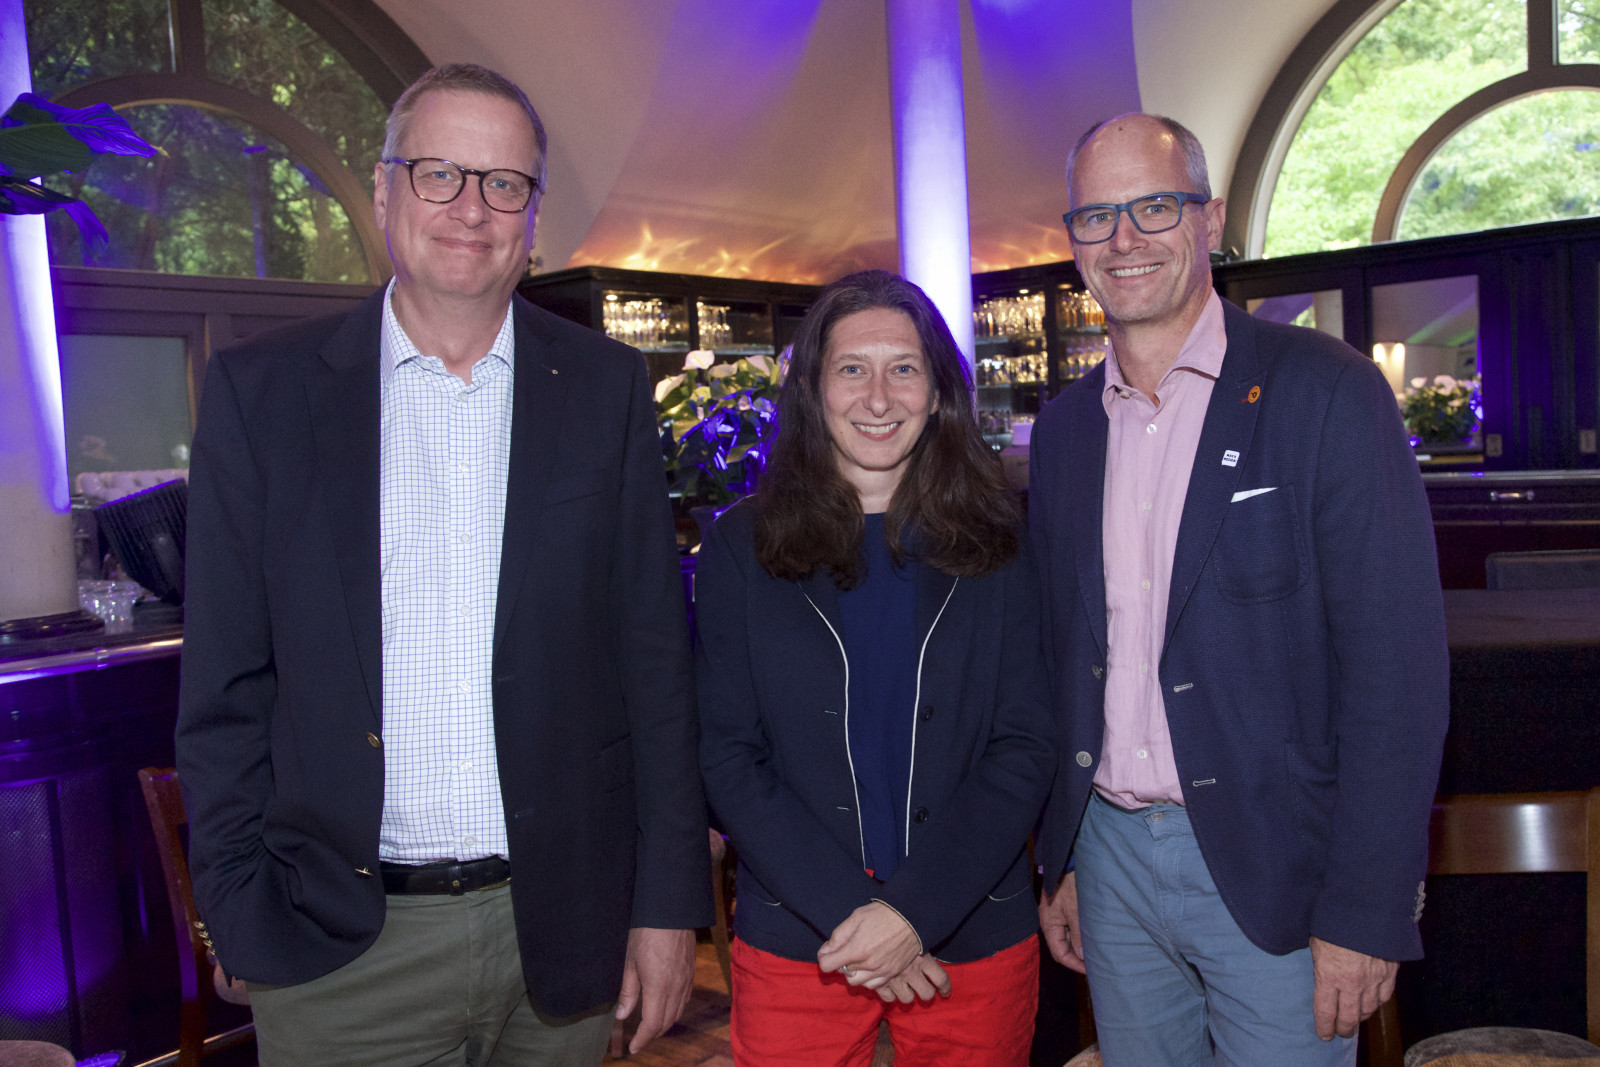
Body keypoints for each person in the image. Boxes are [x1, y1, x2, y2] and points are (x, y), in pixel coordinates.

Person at [175, 64, 712, 1066]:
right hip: (339, 950)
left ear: (533, 216)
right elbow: (224, 685)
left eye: (504, 182)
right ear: (385, 190)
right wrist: (237, 907)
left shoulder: (604, 390)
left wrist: (666, 905)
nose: (472, 208)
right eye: (439, 174)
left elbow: (655, 670)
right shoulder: (262, 395)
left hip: (564, 932)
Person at [1029, 113, 1449, 1066]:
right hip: (1109, 863)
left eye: (1153, 206)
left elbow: (1398, 673)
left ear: (1210, 220)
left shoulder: (1328, 392)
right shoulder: (1064, 433)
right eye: (1096, 216)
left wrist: (1368, 904)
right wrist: (1064, 856)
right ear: (1073, 241)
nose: (1124, 238)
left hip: (1277, 871)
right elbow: (1062, 657)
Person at [695, 269, 1056, 1066]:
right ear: (812, 389)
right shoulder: (740, 547)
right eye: (852, 368)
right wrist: (860, 918)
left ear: (939, 390)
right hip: (803, 938)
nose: (879, 396)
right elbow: (728, 754)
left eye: (904, 368)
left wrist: (913, 913)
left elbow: (1025, 743)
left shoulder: (1002, 541)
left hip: (969, 934)